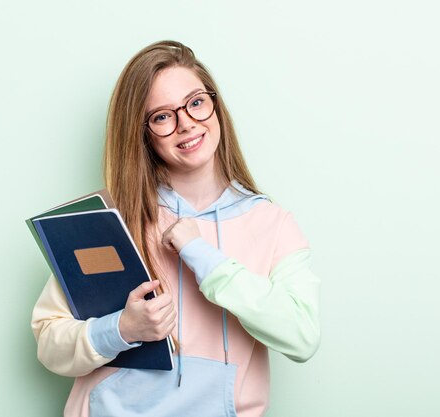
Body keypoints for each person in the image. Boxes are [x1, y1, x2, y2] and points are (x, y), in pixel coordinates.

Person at [31, 40, 321, 417]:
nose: (187, 123)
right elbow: (50, 346)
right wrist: (122, 328)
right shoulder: (108, 219)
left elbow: (302, 338)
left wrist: (203, 257)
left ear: (215, 106)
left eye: (196, 102)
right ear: (143, 133)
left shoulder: (271, 223)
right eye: (163, 116)